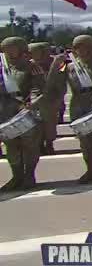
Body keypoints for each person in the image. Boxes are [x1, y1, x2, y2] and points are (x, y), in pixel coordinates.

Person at [47, 35, 92, 183]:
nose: (82, 50)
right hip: (78, 105)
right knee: (84, 142)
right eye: (78, 47)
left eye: (85, 47)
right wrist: (55, 65)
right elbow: (54, 85)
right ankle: (90, 170)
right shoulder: (69, 65)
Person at [1, 37, 43, 191]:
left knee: (29, 146)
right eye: (5, 49)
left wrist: (32, 101)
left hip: (24, 111)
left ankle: (29, 176)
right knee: (11, 147)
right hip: (5, 112)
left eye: (12, 48)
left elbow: (38, 88)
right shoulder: (2, 68)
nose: (8, 51)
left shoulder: (31, 67)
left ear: (21, 49)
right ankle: (16, 176)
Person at [28, 42, 60, 155]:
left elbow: (61, 79)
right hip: (35, 98)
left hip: (50, 97)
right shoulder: (30, 65)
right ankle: (40, 144)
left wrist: (58, 97)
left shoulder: (56, 63)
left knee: (50, 123)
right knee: (37, 124)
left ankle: (49, 143)